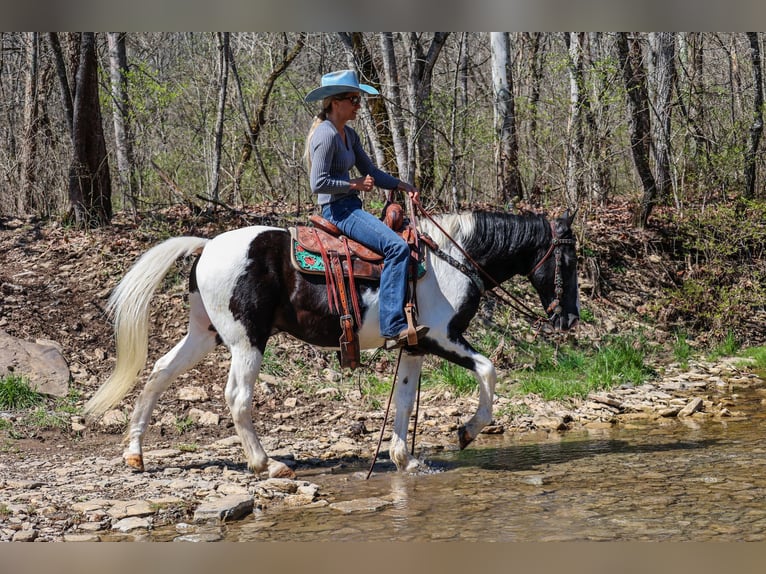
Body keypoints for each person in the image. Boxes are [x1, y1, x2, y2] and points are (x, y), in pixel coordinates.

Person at [304, 69, 428, 349]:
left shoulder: (348, 134)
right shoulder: (325, 135)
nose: (358, 105)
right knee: (397, 248)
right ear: (336, 103)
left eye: (359, 99)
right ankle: (392, 326)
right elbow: (318, 183)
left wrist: (402, 185)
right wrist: (353, 185)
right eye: (354, 99)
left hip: (350, 206)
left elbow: (370, 170)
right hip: (337, 210)